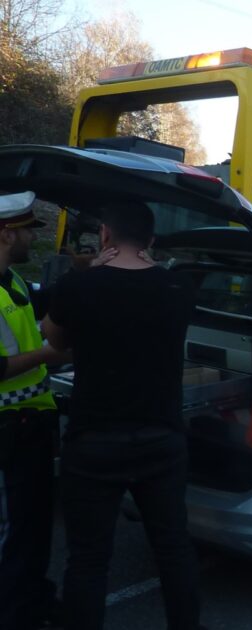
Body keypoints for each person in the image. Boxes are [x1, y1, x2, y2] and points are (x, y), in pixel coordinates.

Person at [42, 202, 202, 630]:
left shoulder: (77, 288)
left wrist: (90, 268)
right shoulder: (178, 290)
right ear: (151, 242)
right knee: (173, 548)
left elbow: (53, 340)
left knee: (89, 559)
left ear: (105, 236)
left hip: (93, 441)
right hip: (160, 439)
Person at [0, 192, 66, 630]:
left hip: (31, 422)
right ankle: (14, 614)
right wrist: (51, 353)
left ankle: (34, 600)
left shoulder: (14, 281)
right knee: (16, 525)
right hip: (8, 427)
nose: (29, 238)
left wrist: (83, 273)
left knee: (35, 519)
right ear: (7, 233)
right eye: (26, 230)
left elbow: (43, 303)